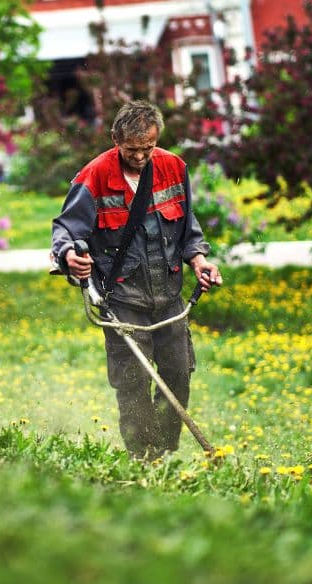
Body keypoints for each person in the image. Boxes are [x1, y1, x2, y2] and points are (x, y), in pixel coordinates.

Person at [51, 100, 222, 459]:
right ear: (116, 138)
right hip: (123, 301)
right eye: (132, 149)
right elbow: (66, 229)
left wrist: (200, 261)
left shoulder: (174, 168)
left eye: (148, 148)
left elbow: (189, 229)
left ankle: (165, 451)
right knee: (133, 383)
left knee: (177, 375)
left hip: (169, 296)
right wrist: (71, 257)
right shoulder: (94, 176)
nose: (141, 156)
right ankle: (144, 458)